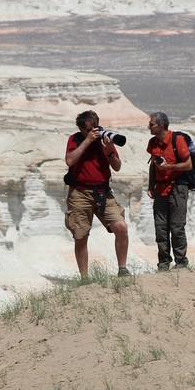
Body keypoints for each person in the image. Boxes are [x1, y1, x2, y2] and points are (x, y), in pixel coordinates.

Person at [64, 110, 130, 278]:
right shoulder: (75, 139)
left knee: (121, 227)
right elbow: (70, 160)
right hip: (80, 194)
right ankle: (84, 278)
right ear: (81, 129)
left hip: (103, 192)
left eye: (96, 127)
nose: (94, 131)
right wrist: (87, 141)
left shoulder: (105, 140)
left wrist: (109, 150)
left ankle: (122, 269)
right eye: (89, 129)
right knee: (81, 236)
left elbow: (117, 166)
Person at [145, 111, 192, 271]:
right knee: (160, 227)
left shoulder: (177, 140)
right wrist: (151, 185)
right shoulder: (153, 143)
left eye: (151, 124)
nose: (149, 126)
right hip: (160, 188)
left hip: (178, 187)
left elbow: (188, 165)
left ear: (161, 125)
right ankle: (163, 263)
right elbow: (153, 164)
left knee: (177, 227)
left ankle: (181, 262)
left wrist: (169, 167)